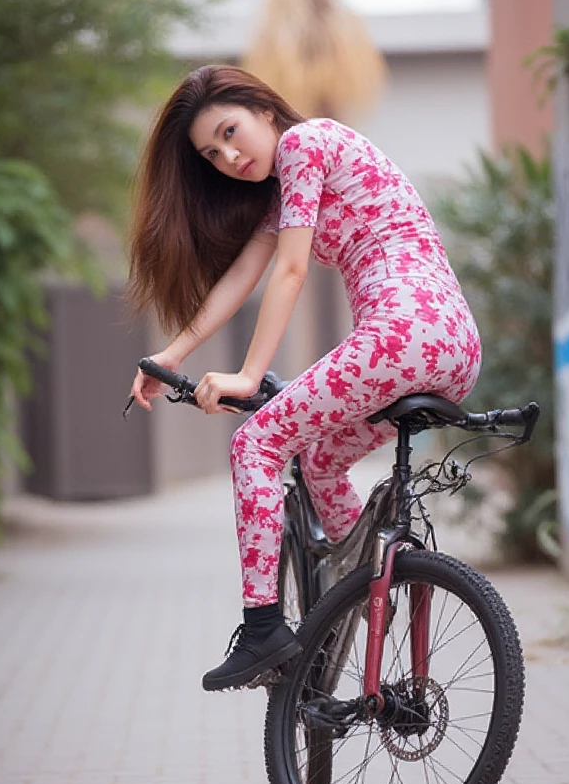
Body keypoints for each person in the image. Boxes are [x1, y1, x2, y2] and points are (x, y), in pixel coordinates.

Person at [128, 65, 482, 692]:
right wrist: (171, 357)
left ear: (264, 109)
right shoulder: (291, 181)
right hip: (451, 345)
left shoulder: (305, 141)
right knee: (318, 460)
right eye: (212, 153)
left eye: (232, 132)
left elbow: (290, 271)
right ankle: (370, 591)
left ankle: (263, 629)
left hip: (402, 333)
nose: (230, 156)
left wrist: (248, 374)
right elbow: (242, 278)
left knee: (257, 442)